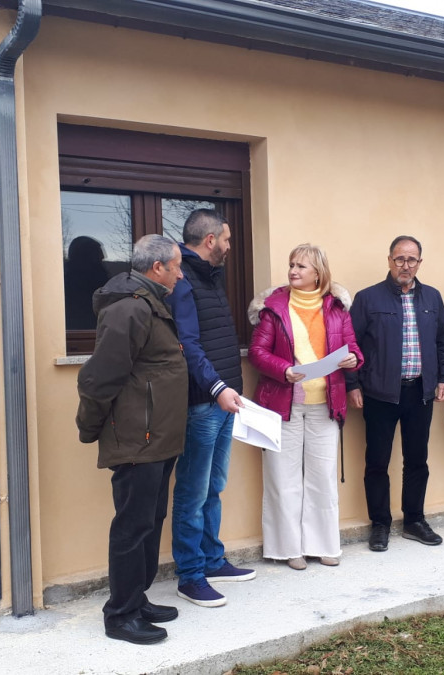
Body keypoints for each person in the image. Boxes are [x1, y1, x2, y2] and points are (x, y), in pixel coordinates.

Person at [75, 234, 187, 645]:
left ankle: (136, 598)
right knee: (131, 526)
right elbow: (99, 377)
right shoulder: (129, 309)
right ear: (157, 268)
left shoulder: (152, 303)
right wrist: (89, 427)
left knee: (149, 521)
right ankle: (119, 615)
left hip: (156, 437)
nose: (179, 273)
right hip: (137, 439)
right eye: (176, 266)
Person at [248, 244, 364, 570]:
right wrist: (283, 370)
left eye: (301, 266)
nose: (293, 271)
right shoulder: (273, 309)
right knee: (282, 478)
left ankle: (323, 545)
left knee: (322, 477)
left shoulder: (337, 309)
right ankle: (288, 549)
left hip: (325, 406)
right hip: (282, 405)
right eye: (292, 265)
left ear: (318, 273)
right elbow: (258, 353)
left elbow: (353, 349)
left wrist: (354, 359)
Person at [166, 208, 254, 608]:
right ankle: (190, 574)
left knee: (214, 486)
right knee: (192, 490)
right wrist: (218, 387)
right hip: (203, 403)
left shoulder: (209, 277)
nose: (230, 246)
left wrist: (228, 390)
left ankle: (213, 560)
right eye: (227, 239)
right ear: (209, 240)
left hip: (223, 401)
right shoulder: (184, 283)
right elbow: (188, 344)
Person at [347, 235, 444, 552]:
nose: (405, 265)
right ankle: (380, 524)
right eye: (399, 259)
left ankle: (413, 521)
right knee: (377, 462)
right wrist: (352, 384)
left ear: (420, 262)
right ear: (389, 260)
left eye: (411, 260)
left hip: (420, 393)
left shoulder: (432, 298)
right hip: (379, 394)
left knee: (417, 460)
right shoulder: (368, 298)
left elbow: (443, 342)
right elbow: (349, 345)